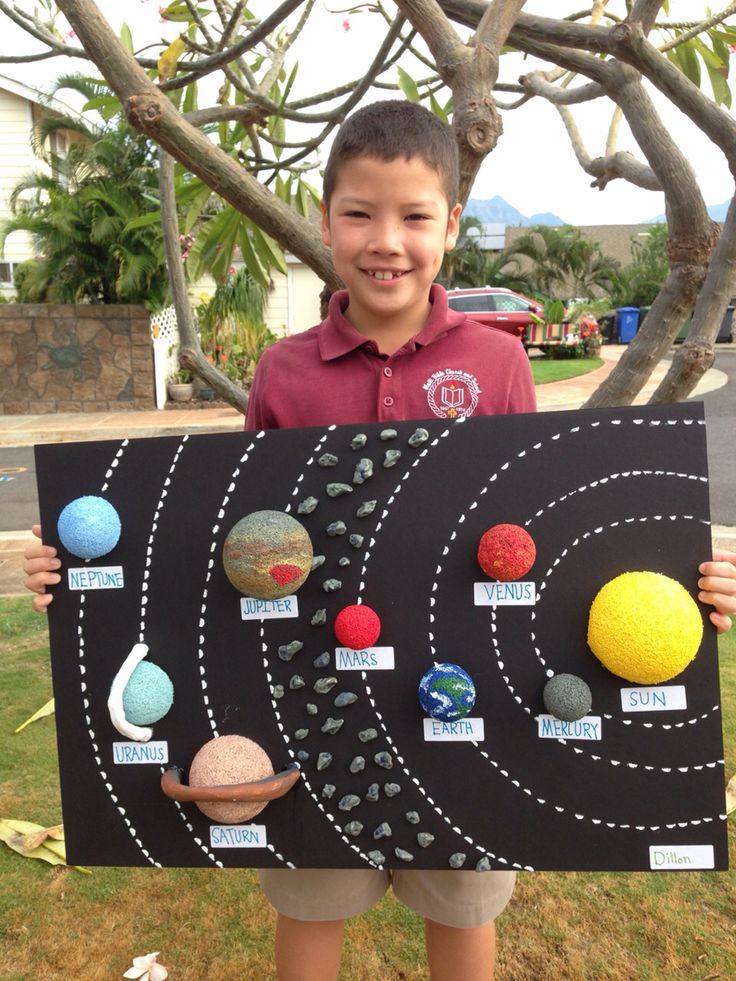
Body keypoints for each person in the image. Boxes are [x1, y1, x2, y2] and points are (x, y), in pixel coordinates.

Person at [23, 101, 736, 980]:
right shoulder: (284, 370)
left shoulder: (495, 363)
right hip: (312, 688)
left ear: (453, 226)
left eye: (414, 216)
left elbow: (534, 527)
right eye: (359, 213)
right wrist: (82, 574)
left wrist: (681, 578)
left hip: (459, 680)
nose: (384, 240)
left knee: (463, 891)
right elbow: (231, 535)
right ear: (325, 220)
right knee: (312, 890)